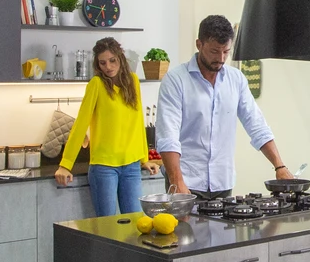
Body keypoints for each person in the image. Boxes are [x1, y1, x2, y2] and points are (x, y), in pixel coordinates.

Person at [156, 15, 294, 199]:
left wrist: (279, 166)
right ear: (199, 44)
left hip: (222, 182)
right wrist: (176, 180)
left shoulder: (236, 79)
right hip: (186, 181)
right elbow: (168, 136)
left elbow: (256, 125)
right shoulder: (176, 80)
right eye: (214, 51)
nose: (221, 58)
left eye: (226, 52)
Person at [54, 37, 160, 215]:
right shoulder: (96, 84)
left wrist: (144, 158)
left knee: (135, 223)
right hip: (104, 167)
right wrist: (66, 164)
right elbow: (80, 125)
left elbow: (137, 121)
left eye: (112, 60)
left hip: (132, 166)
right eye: (102, 63)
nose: (108, 67)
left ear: (120, 58)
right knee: (107, 224)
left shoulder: (133, 81)